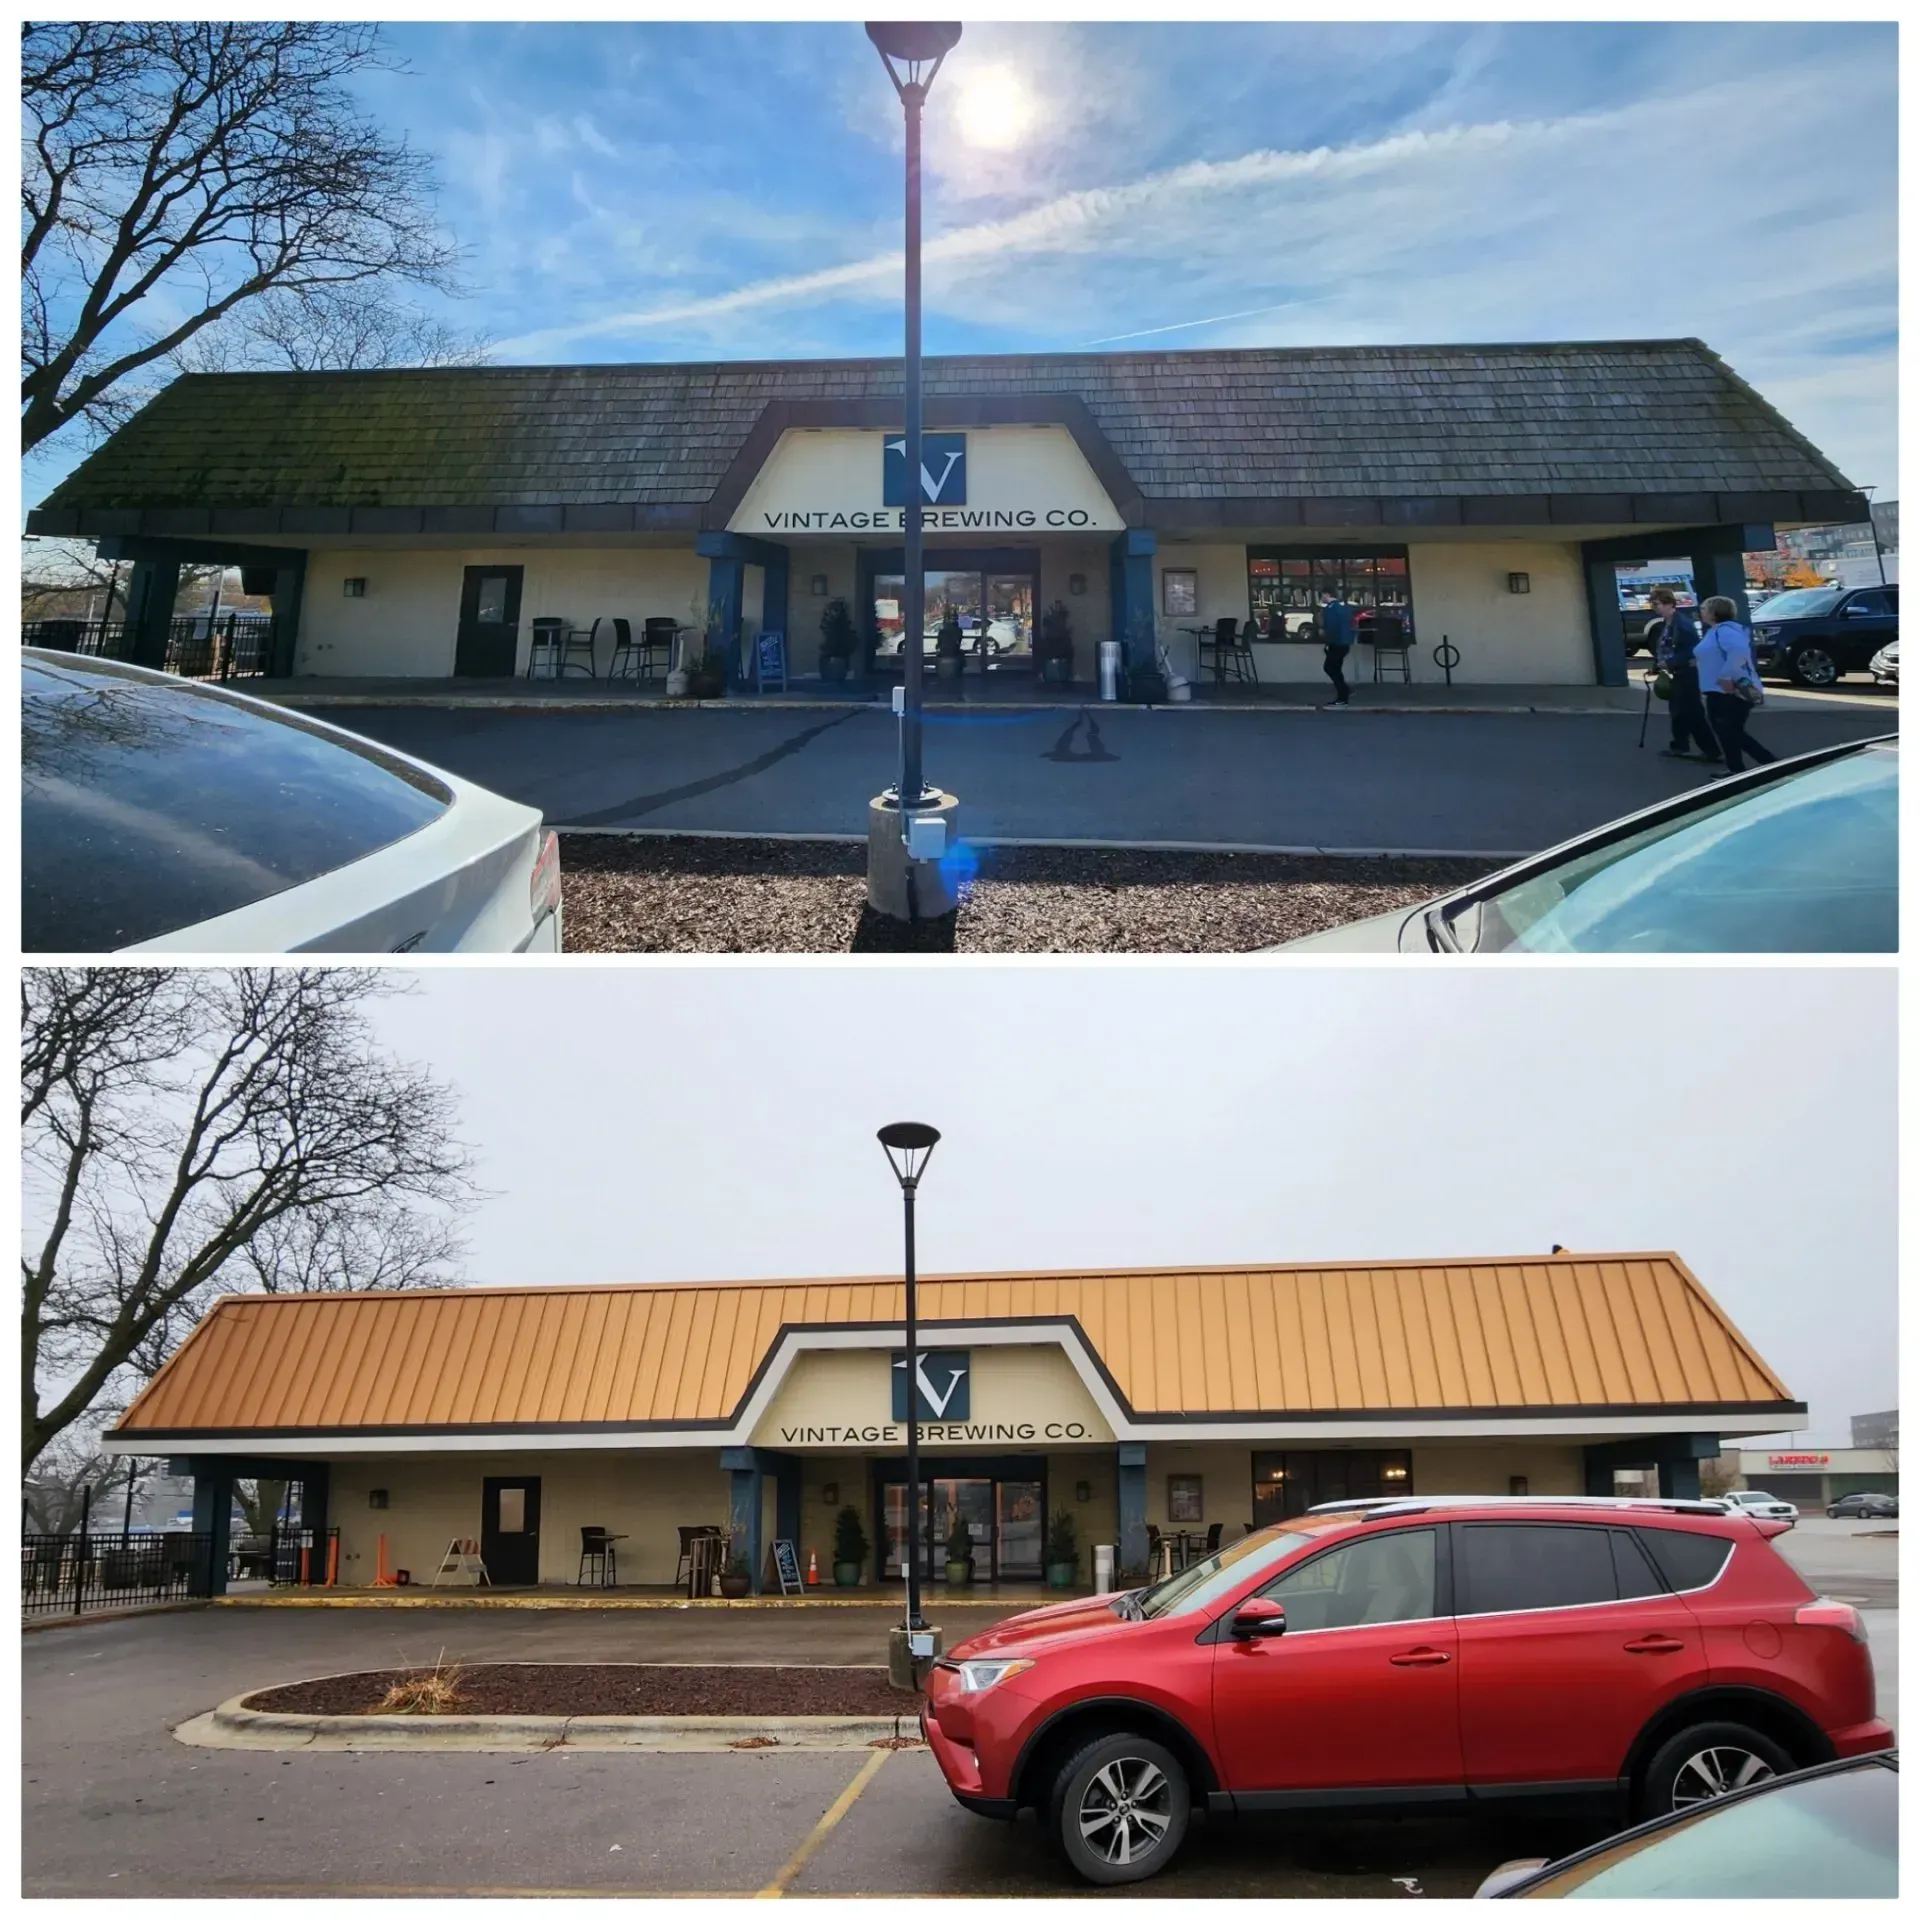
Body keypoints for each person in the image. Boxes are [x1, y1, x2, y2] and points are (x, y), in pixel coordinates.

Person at [1693, 595, 1777, 776]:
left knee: (1730, 731)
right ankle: (1736, 767)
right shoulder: (1715, 631)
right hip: (1717, 691)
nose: (1701, 612)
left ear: (1714, 612)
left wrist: (1725, 676)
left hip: (1729, 691)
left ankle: (1769, 763)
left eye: (1704, 608)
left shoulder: (1726, 631)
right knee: (1728, 731)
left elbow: (1739, 652)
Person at [1648, 587, 1719, 760]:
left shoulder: (1682, 625)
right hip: (1677, 673)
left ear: (1669, 604)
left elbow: (1691, 650)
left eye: (1657, 604)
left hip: (1687, 673)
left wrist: (1670, 662)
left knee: (1690, 712)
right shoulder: (1668, 623)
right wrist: (1658, 665)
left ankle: (1709, 750)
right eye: (1653, 604)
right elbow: (1665, 648)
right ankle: (1681, 745)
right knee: (1680, 711)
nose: (1654, 607)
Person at [1318, 589, 1355, 708]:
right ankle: (1345, 691)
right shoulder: (1342, 608)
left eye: (1322, 595)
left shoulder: (1330, 609)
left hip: (1336, 643)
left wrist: (1328, 643)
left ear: (1327, 594)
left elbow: (1331, 627)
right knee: (1336, 669)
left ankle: (1343, 697)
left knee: (1330, 668)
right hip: (1344, 643)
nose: (1321, 597)